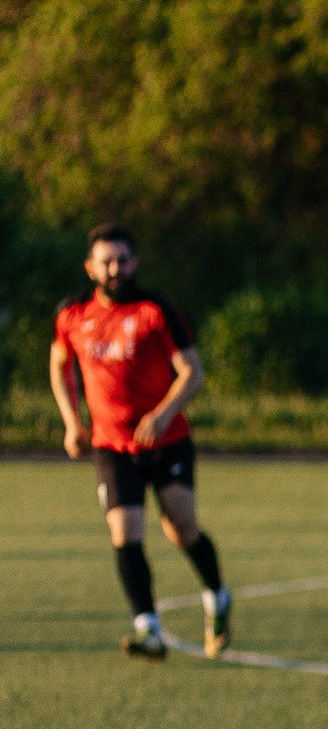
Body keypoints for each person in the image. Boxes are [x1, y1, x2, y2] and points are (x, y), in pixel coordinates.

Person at [50, 224, 228, 660]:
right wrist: (72, 423)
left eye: (123, 260)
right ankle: (148, 629)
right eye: (107, 262)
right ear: (90, 267)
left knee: (181, 529)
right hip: (111, 446)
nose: (116, 269)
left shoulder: (156, 311)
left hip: (167, 442)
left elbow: (193, 372)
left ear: (135, 263)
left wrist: (162, 414)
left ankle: (217, 596)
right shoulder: (72, 315)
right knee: (124, 532)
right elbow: (59, 365)